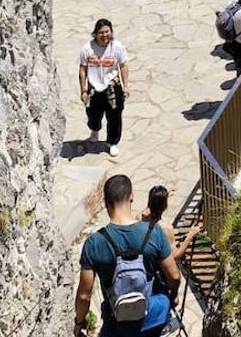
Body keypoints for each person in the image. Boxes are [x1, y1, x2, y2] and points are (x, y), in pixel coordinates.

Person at [74, 175, 181, 337]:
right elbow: (174, 276)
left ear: (105, 203)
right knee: (164, 304)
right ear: (132, 197)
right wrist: (173, 297)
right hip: (149, 317)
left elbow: (84, 295)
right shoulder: (155, 232)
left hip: (116, 320)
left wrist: (80, 323)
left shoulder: (94, 243)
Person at [78, 19, 129, 158]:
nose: (104, 35)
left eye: (107, 32)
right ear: (96, 34)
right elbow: (83, 69)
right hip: (94, 88)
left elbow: (123, 66)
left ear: (111, 32)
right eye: (101, 32)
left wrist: (126, 87)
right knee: (92, 114)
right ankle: (94, 131)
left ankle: (112, 142)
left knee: (115, 117)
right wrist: (83, 90)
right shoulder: (87, 49)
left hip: (112, 87)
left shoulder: (117, 47)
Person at [140, 185, 204, 268]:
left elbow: (149, 209)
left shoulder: (141, 217)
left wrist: (162, 197)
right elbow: (175, 256)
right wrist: (190, 235)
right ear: (165, 206)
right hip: (158, 269)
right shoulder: (165, 228)